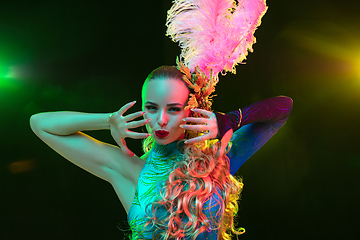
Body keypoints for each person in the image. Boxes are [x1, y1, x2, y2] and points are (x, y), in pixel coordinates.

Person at [30, 0, 292, 239]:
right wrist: (108, 120)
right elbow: (40, 124)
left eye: (174, 109)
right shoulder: (130, 169)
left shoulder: (218, 159)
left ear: (190, 111)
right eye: (152, 108)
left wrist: (228, 121)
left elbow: (282, 108)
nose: (161, 120)